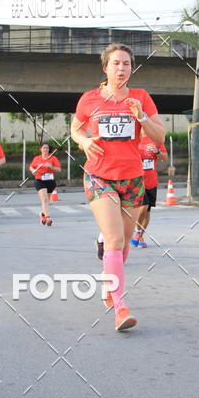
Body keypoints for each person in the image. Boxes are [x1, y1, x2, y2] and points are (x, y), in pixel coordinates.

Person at [71, 43, 165, 332]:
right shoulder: (89, 99)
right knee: (113, 241)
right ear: (106, 67)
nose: (121, 68)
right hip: (99, 176)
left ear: (131, 68)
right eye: (116, 63)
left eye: (126, 63)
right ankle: (120, 307)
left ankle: (108, 282)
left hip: (133, 178)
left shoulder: (141, 97)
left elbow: (159, 136)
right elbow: (75, 128)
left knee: (123, 245)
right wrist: (84, 141)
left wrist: (141, 117)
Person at [131, 136, 168, 247]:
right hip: (137, 181)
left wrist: (157, 151)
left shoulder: (156, 138)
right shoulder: (133, 138)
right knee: (144, 206)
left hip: (151, 181)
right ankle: (137, 232)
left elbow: (165, 158)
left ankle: (140, 235)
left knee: (147, 211)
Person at [29, 143, 61, 226]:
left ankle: (42, 214)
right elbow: (31, 166)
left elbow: (59, 169)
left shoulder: (53, 158)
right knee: (45, 199)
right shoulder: (37, 158)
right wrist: (33, 171)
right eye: (44, 148)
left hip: (50, 181)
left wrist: (51, 167)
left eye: (47, 148)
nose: (46, 149)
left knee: (46, 201)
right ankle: (47, 217)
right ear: (41, 149)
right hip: (40, 180)